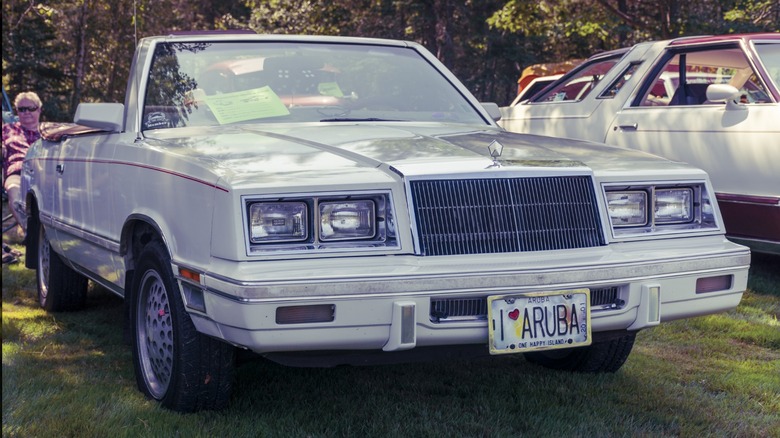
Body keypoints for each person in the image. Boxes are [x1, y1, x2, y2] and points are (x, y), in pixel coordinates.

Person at [2, 91, 42, 250]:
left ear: (39, 109)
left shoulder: (48, 132)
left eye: (30, 108)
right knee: (15, 193)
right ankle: (32, 234)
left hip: (44, 174)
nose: (26, 113)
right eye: (21, 109)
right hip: (17, 173)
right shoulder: (7, 129)